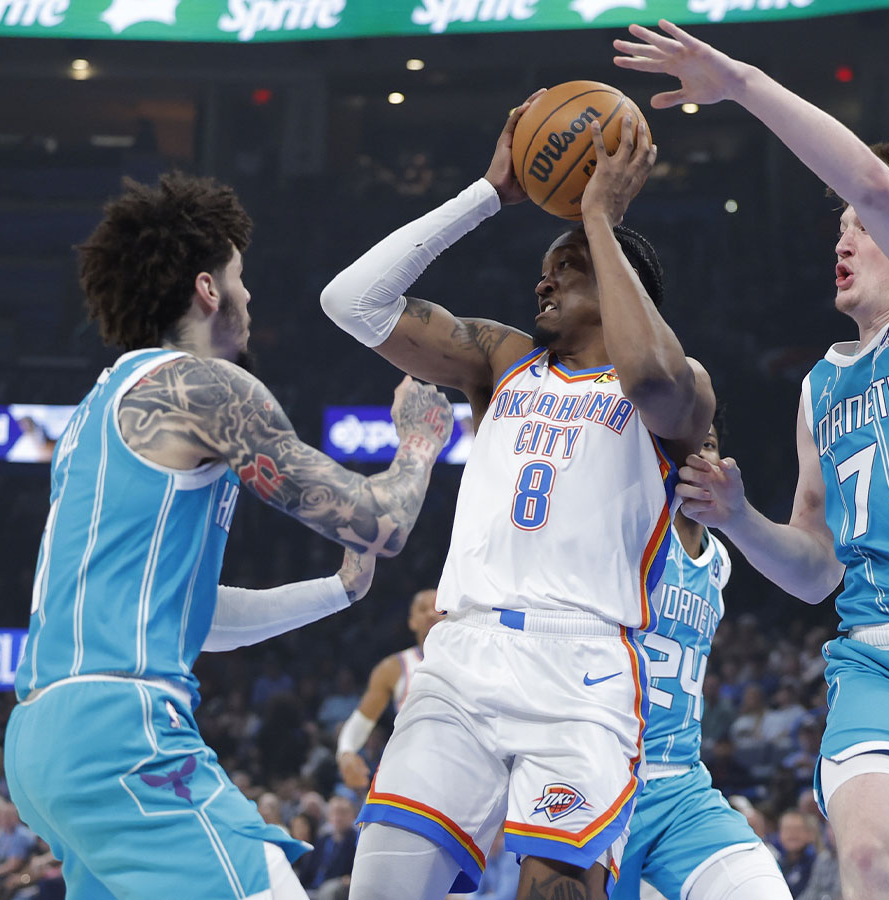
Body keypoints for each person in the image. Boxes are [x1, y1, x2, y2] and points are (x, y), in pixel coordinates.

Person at [619, 19, 889, 900]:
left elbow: (868, 176)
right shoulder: (821, 386)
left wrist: (739, 81)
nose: (845, 238)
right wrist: (740, 517)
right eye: (843, 228)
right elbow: (818, 570)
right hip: (878, 659)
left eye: (865, 227)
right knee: (864, 860)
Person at [3, 172, 455, 900]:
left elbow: (194, 617)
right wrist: (420, 441)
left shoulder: (96, 409)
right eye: (241, 280)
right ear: (208, 289)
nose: (249, 299)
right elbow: (383, 522)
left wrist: (335, 591)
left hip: (42, 741)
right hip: (125, 729)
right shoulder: (205, 387)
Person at [321, 90, 715, 900]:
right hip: (462, 656)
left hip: (585, 666)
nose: (542, 285)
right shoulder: (501, 360)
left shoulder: (678, 389)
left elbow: (650, 374)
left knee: (555, 890)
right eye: (544, 271)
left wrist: (599, 221)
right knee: (382, 888)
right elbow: (350, 302)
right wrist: (488, 196)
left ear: (616, 285)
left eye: (563, 271)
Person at [613, 421, 789, 900]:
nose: (698, 457)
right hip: (603, 781)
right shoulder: (626, 534)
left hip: (682, 785)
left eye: (708, 445)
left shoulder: (720, 562)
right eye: (682, 447)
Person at [336, 589, 444, 793]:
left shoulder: (477, 662)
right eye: (422, 609)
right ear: (412, 621)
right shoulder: (393, 668)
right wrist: (346, 752)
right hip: (414, 771)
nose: (430, 614)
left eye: (439, 609)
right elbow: (362, 720)